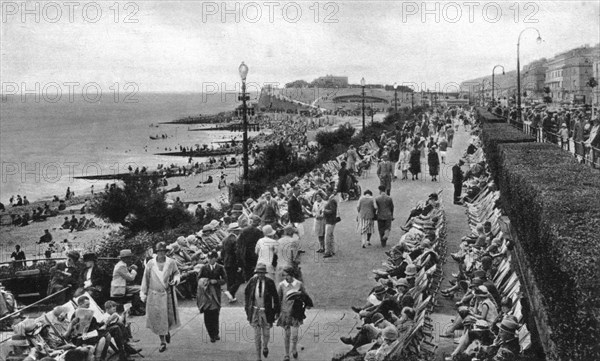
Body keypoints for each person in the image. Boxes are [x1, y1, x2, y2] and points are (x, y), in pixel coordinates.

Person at [140, 242, 181, 353]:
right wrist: (143, 293)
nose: (161, 253)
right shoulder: (150, 264)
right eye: (159, 251)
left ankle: (166, 331)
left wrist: (175, 280)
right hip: (154, 295)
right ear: (156, 252)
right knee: (158, 319)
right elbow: (145, 278)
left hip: (167, 294)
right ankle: (162, 341)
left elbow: (177, 273)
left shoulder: (171, 262)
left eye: (163, 251)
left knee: (166, 317)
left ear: (166, 252)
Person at [245, 263, 281, 361]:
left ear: (265, 273)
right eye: (258, 273)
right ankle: (258, 357)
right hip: (255, 312)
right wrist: (247, 309)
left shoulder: (270, 282)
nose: (260, 275)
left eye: (262, 273)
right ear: (256, 273)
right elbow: (247, 295)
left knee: (266, 333)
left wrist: (277, 311)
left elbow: (276, 298)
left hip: (266, 312)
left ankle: (265, 346)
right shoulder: (252, 281)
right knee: (257, 335)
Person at [277, 266, 313, 361]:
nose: (285, 277)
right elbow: (278, 299)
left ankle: (294, 348)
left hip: (296, 312)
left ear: (291, 274)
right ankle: (286, 354)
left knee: (295, 334)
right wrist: (277, 312)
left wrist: (308, 304)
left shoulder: (299, 284)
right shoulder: (281, 285)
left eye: (287, 275)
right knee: (287, 334)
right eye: (284, 275)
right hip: (285, 313)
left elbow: (304, 295)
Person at [196, 251, 227, 343]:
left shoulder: (220, 268)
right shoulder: (204, 268)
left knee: (215, 312)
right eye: (208, 258)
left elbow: (225, 280)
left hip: (216, 293)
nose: (210, 260)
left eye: (212, 258)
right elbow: (198, 278)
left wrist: (217, 281)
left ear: (216, 258)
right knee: (207, 313)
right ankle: (211, 334)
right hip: (206, 293)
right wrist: (205, 282)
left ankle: (216, 333)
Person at [110, 249, 145, 316]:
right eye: (129, 257)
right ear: (125, 258)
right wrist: (134, 270)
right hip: (119, 289)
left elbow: (124, 274)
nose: (130, 259)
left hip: (120, 287)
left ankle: (135, 308)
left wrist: (129, 269)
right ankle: (134, 309)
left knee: (137, 288)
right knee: (140, 289)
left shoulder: (121, 264)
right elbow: (131, 278)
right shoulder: (121, 266)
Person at [237, 215, 264, 281]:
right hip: (255, 254)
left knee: (248, 272)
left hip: (246, 254)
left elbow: (239, 244)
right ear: (257, 222)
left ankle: (249, 285)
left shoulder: (243, 231)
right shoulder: (259, 231)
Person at [221, 223, 243, 303]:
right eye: (237, 230)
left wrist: (223, 260)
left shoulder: (225, 239)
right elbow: (237, 253)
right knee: (239, 279)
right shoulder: (235, 239)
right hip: (233, 262)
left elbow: (222, 252)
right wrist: (240, 264)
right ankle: (231, 292)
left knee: (230, 280)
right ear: (234, 231)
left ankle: (231, 296)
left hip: (226, 262)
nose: (238, 232)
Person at [287, 186, 306, 251]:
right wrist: (293, 222)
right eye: (298, 191)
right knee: (297, 234)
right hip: (295, 220)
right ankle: (296, 249)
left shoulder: (296, 198)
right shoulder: (291, 200)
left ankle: (299, 248)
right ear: (294, 191)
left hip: (297, 219)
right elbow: (290, 212)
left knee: (299, 234)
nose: (299, 192)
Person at [323, 189, 339, 258]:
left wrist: (325, 211)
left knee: (327, 236)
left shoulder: (332, 200)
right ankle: (332, 250)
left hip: (330, 220)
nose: (326, 193)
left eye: (327, 191)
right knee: (330, 235)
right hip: (331, 220)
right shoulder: (331, 199)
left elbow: (332, 211)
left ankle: (328, 251)